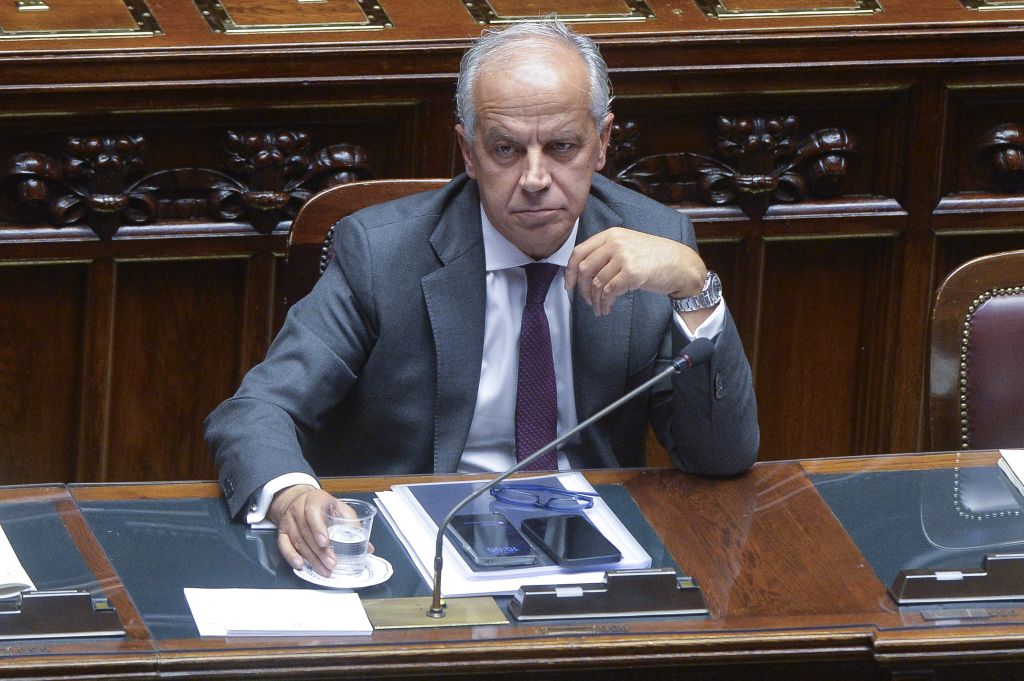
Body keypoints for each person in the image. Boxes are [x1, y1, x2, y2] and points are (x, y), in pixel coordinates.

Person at [205, 19, 759, 576]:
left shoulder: (655, 244)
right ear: (469, 152)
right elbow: (258, 411)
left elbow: (720, 456)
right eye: (506, 149)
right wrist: (291, 494)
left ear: (602, 142)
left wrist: (696, 290)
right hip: (415, 550)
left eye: (562, 146)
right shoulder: (381, 253)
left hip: (593, 550)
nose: (535, 178)